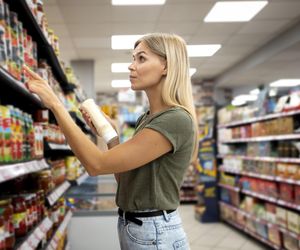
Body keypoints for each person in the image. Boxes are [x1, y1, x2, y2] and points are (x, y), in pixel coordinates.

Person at [26, 33, 198, 250]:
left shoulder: (175, 119)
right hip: (137, 226)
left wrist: (56, 105)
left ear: (166, 65)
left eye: (141, 59)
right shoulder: (146, 118)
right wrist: (111, 135)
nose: (131, 66)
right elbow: (125, 180)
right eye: (133, 58)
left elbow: (96, 165)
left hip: (154, 232)